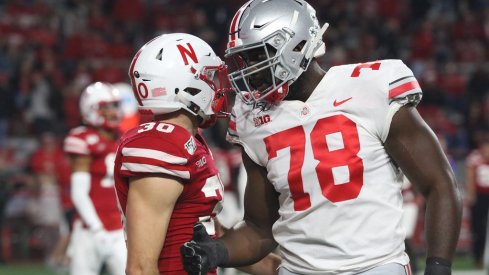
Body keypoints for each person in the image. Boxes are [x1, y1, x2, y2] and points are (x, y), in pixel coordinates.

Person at [180, 1, 462, 275]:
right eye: (243, 59)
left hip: (375, 266)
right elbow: (259, 229)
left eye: (257, 55)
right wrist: (216, 251)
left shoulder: (370, 87)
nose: (248, 70)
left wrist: (439, 267)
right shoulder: (251, 119)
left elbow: (439, 185)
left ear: (296, 45)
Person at [114, 33, 280, 275]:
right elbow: (140, 267)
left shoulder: (187, 142)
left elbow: (211, 237)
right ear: (186, 85)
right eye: (210, 77)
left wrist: (284, 269)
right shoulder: (160, 144)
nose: (218, 87)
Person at [63, 82, 127, 275]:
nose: (114, 112)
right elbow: (79, 193)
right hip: (89, 229)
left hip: (119, 227)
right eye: (107, 107)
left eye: (115, 106)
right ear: (92, 109)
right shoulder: (82, 139)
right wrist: (97, 229)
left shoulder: (124, 139)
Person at [467, 131, 489, 269]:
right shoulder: (474, 158)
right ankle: (478, 256)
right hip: (480, 197)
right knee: (478, 228)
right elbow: (470, 178)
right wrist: (472, 196)